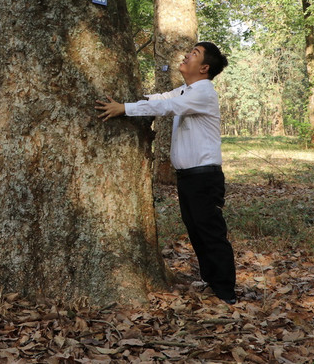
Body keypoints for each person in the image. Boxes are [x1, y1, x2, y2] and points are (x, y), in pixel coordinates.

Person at [95, 41, 237, 304]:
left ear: (204, 68)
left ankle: (226, 293)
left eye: (194, 54)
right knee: (196, 230)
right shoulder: (186, 90)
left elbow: (167, 108)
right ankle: (212, 282)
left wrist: (124, 109)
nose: (187, 55)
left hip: (204, 177)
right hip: (189, 177)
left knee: (210, 232)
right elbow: (162, 99)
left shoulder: (203, 92)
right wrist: (136, 99)